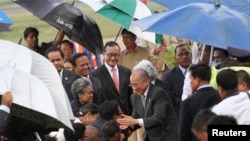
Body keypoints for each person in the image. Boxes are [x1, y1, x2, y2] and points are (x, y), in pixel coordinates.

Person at [117, 69, 178, 141]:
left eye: (136, 85)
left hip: (166, 136)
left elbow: (158, 118)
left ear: (146, 81)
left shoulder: (158, 93)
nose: (134, 89)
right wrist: (128, 123)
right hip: (150, 137)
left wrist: (135, 121)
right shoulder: (134, 97)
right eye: (132, 85)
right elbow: (137, 116)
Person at [178, 63, 221, 141]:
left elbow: (183, 132)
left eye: (191, 79)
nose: (190, 82)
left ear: (197, 80)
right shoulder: (221, 96)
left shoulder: (188, 102)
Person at [90, 41, 133, 115]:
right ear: (104, 54)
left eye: (116, 55)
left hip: (126, 115)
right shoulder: (95, 75)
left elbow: (129, 95)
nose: (113, 58)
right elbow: (98, 98)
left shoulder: (126, 72)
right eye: (109, 55)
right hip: (108, 116)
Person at [163, 43, 192, 117]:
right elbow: (170, 100)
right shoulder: (168, 77)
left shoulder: (200, 71)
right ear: (175, 58)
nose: (184, 57)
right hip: (180, 115)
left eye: (187, 54)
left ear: (191, 55)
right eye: (180, 55)